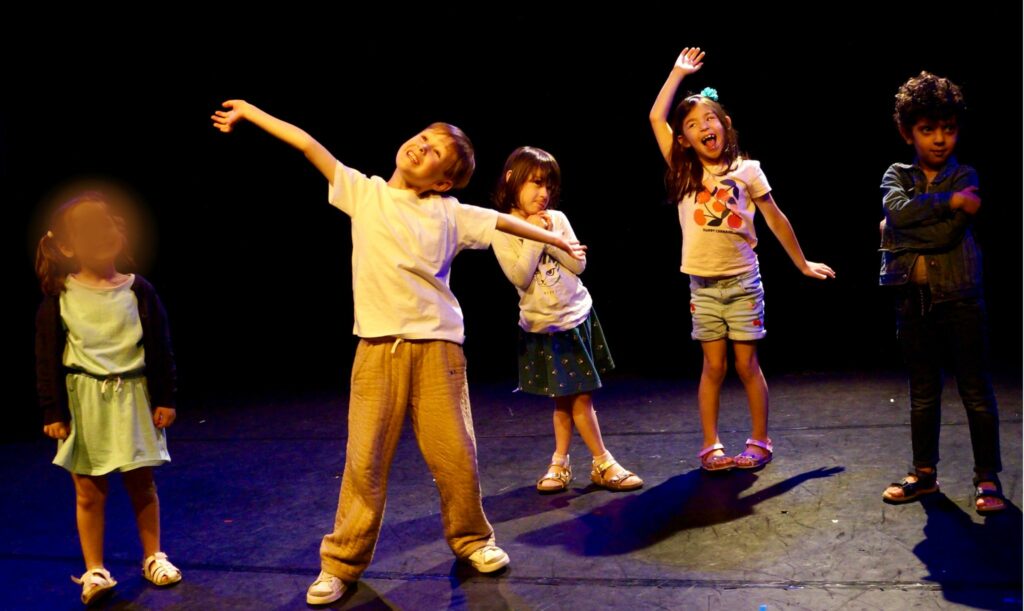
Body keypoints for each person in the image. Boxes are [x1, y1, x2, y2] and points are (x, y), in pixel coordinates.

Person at [211, 101, 587, 605]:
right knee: (364, 461)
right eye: (424, 138)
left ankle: (473, 540)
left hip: (438, 350)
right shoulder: (363, 193)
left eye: (436, 152)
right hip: (377, 350)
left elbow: (504, 223)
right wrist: (251, 114)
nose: (422, 147)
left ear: (443, 182)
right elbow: (307, 145)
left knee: (456, 455)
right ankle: (341, 562)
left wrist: (556, 237)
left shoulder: (450, 212)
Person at [648, 48, 834, 472]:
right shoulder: (683, 168)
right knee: (713, 365)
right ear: (684, 140)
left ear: (725, 125)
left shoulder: (748, 171)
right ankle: (711, 444)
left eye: (709, 119)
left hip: (743, 281)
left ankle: (759, 439)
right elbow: (657, 118)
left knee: (747, 363)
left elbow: (775, 218)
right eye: (692, 125)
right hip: (703, 285)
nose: (703, 127)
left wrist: (802, 264)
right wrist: (677, 73)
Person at [35, 193, 182, 605]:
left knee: (142, 484)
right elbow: (47, 359)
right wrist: (53, 411)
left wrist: (165, 396)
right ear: (66, 246)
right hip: (84, 403)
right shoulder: (60, 296)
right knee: (89, 490)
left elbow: (159, 347)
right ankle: (95, 569)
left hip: (133, 397)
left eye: (107, 222)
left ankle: (153, 555)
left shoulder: (139, 291)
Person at [878, 72, 1005, 514]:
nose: (939, 140)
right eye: (927, 130)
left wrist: (906, 229)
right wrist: (948, 203)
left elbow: (944, 237)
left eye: (948, 129)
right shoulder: (897, 174)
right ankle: (924, 474)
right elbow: (895, 210)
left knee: (975, 391)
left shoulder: (965, 173)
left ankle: (987, 478)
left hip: (961, 298)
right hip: (912, 302)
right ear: (907, 132)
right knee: (923, 392)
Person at [490, 147, 643, 494]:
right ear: (513, 179)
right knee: (564, 399)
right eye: (536, 183)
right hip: (543, 327)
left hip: (574, 317)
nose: (544, 194)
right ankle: (565, 462)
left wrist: (552, 237)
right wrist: (533, 235)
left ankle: (598, 462)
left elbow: (578, 264)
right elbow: (520, 276)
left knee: (579, 398)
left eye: (548, 187)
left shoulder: (556, 218)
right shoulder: (501, 229)